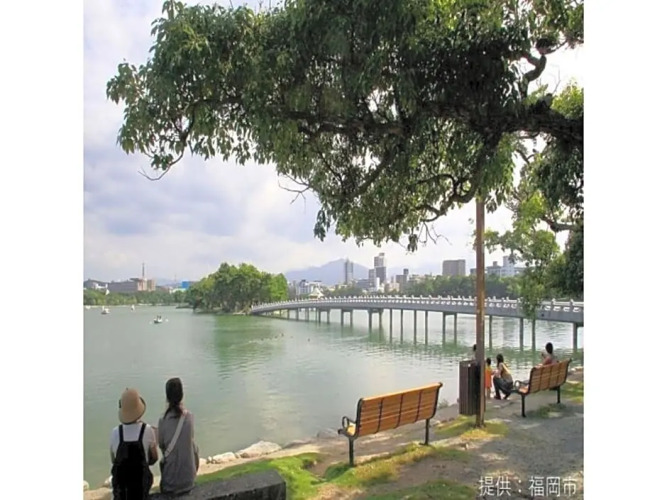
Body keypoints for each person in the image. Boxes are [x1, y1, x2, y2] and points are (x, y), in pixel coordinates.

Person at [110, 388, 158, 500]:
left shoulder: (115, 433)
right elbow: (154, 458)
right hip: (141, 492)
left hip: (122, 494)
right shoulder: (147, 430)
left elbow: (113, 461)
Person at [157, 377, 199, 495]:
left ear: (167, 397)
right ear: (182, 395)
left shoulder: (163, 421)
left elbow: (162, 446)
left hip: (169, 483)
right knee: (194, 447)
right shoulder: (189, 418)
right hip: (189, 481)